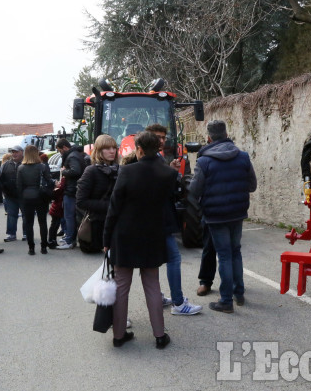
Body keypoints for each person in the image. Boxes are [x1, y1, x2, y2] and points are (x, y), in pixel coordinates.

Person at [103, 131, 176, 349]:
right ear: (158, 148)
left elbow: (113, 208)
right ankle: (160, 336)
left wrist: (106, 238)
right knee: (153, 285)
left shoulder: (126, 171)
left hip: (124, 236)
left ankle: (118, 336)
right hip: (153, 235)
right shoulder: (169, 173)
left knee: (121, 286)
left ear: (140, 149)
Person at [189, 120, 257, 313]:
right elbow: (252, 185)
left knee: (225, 256)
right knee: (236, 252)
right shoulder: (242, 157)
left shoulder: (204, 161)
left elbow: (194, 191)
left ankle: (226, 301)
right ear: (227, 134)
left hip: (215, 215)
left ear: (209, 138)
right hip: (237, 213)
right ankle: (239, 293)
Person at [145, 124, 202, 315]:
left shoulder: (158, 158)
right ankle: (178, 303)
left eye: (163, 137)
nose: (161, 140)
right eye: (157, 137)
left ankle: (159, 297)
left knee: (153, 262)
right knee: (172, 259)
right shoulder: (151, 160)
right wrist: (171, 175)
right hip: (159, 219)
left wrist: (171, 171)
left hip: (156, 219)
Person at [76, 135, 119, 253]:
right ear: (99, 151)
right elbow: (81, 201)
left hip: (116, 223)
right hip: (97, 224)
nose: (112, 151)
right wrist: (109, 205)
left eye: (114, 148)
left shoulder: (120, 170)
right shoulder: (91, 171)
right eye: (107, 148)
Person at [17, 145, 52, 255]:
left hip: (27, 197)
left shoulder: (21, 168)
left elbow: (19, 186)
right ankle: (44, 247)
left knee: (29, 223)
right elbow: (49, 180)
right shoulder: (42, 166)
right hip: (41, 196)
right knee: (42, 222)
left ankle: (31, 248)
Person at [56, 138, 85, 249]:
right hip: (75, 189)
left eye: (60, 150)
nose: (60, 153)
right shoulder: (76, 154)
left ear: (64, 147)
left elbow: (75, 171)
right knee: (71, 216)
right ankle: (70, 238)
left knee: (69, 216)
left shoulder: (72, 156)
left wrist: (64, 171)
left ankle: (70, 240)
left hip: (71, 190)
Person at [0, 146, 28, 241]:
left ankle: (26, 234)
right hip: (10, 195)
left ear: (22, 152)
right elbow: (1, 178)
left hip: (24, 195)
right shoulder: (6, 164)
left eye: (16, 152)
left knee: (26, 215)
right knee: (11, 215)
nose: (14, 154)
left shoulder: (27, 163)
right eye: (13, 152)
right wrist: (4, 189)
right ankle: (11, 234)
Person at [47, 176, 66, 249]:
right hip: (56, 211)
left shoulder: (56, 190)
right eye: (57, 182)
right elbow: (62, 187)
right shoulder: (57, 190)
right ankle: (51, 240)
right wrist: (63, 178)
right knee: (54, 226)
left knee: (54, 226)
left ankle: (52, 240)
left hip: (55, 211)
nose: (59, 182)